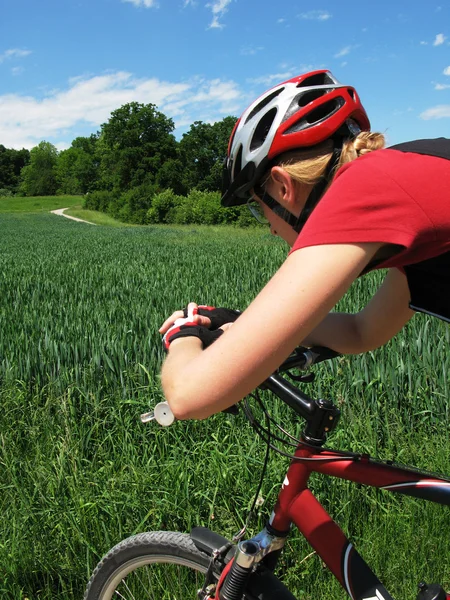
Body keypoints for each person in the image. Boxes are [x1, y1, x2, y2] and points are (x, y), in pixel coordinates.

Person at [159, 69, 450, 420]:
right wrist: (243, 324)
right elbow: (363, 331)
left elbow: (190, 396)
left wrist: (182, 334)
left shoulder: (364, 190)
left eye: (258, 206)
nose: (268, 228)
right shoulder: (403, 180)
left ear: (283, 187)